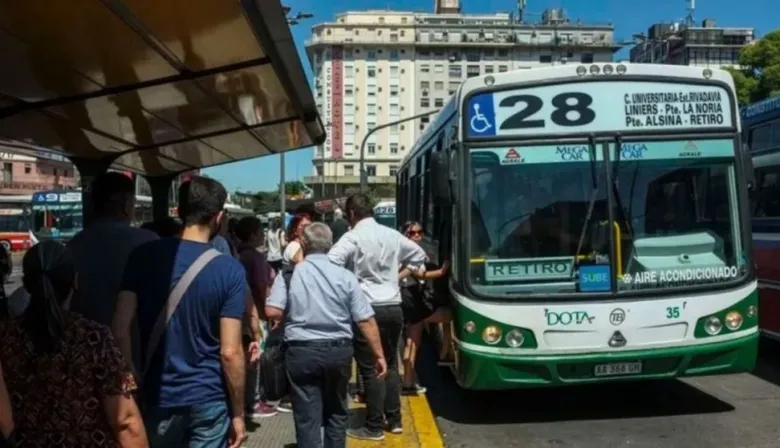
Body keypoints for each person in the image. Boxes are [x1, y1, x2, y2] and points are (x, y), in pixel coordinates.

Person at [112, 176, 249, 448]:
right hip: (209, 396)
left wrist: (132, 373)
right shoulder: (229, 270)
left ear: (179, 211)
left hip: (158, 392)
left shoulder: (142, 256)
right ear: (218, 216)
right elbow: (230, 352)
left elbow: (118, 328)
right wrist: (238, 414)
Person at [0, 241, 147, 447]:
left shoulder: (5, 336)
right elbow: (125, 420)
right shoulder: (94, 338)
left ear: (26, 284)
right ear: (75, 281)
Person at [265, 223, 387, 448]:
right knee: (337, 411)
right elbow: (365, 319)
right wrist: (378, 355)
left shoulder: (290, 274)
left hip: (301, 352)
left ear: (303, 243)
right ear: (330, 245)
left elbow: (272, 310)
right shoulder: (346, 276)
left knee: (307, 416)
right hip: (338, 351)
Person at [328, 194, 427, 441]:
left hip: (366, 309)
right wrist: (394, 276)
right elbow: (419, 256)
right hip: (393, 306)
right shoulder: (392, 234)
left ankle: (373, 426)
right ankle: (394, 420)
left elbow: (331, 262)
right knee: (391, 363)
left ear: (351, 214)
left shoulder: (352, 237)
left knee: (370, 368)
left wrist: (352, 282)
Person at [68, 172, 158, 368]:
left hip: (82, 361)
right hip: (136, 358)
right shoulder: (148, 243)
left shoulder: (73, 246)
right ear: (126, 205)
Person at [399, 221, 452, 394]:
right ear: (406, 234)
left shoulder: (404, 249)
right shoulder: (408, 252)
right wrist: (442, 272)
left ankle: (408, 383)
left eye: (420, 232)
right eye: (413, 233)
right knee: (448, 315)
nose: (418, 236)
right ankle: (446, 353)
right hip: (412, 298)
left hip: (409, 297)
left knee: (413, 340)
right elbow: (420, 274)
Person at [234, 216, 277, 419]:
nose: (263, 235)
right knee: (256, 356)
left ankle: (246, 399)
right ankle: (255, 400)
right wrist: (267, 311)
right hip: (256, 312)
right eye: (261, 232)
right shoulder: (256, 258)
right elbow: (261, 288)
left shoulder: (237, 254)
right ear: (252, 235)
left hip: (238, 313)